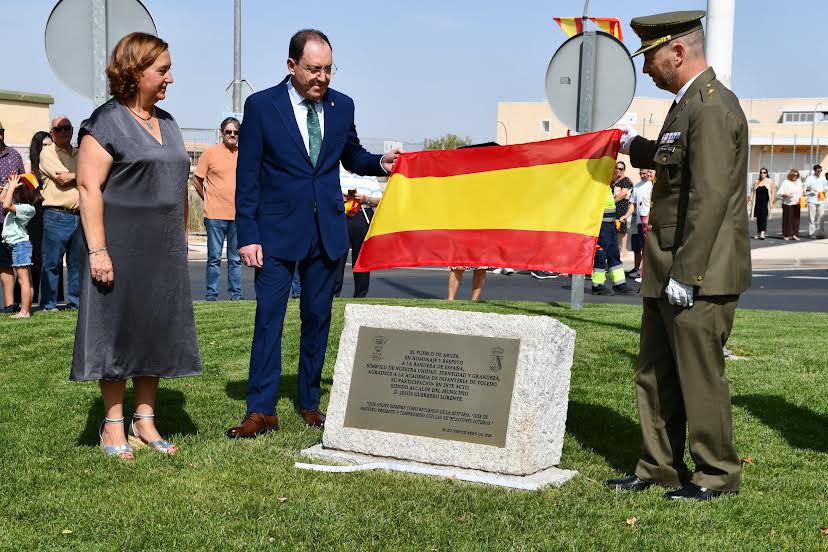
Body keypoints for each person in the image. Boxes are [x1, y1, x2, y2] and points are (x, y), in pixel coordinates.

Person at [227, 29, 401, 438]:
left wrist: (381, 162)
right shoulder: (262, 106)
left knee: (318, 318)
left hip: (327, 232)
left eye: (328, 69)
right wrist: (248, 235)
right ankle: (261, 409)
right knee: (269, 319)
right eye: (313, 69)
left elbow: (352, 155)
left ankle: (308, 402)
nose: (322, 78)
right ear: (292, 66)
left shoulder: (343, 106)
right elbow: (247, 177)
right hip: (274, 235)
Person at [609, 10, 751, 501]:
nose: (646, 68)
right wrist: (631, 145)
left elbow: (709, 196)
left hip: (699, 269)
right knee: (654, 373)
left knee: (697, 375)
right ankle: (657, 467)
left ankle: (716, 474)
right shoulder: (687, 104)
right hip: (669, 265)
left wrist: (687, 273)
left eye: (650, 57)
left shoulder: (710, 107)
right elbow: (675, 158)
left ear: (677, 51)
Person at [71, 32, 202, 460]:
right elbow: (89, 188)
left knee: (155, 331)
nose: (170, 78)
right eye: (162, 70)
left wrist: (181, 235)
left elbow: (177, 185)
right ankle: (112, 425)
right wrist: (98, 251)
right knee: (117, 330)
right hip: (120, 246)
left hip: (163, 248)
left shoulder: (167, 122)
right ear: (135, 71)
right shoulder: (105, 122)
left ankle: (144, 420)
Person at [193, 117, 242, 301]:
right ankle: (212, 295)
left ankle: (236, 296)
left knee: (235, 259)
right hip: (214, 215)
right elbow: (197, 180)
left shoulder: (243, 154)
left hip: (237, 215)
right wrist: (207, 199)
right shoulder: (210, 153)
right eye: (228, 131)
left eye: (236, 132)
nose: (232, 135)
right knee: (214, 258)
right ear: (222, 133)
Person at [39, 115, 81, 311]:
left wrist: (76, 176)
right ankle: (49, 305)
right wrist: (84, 176)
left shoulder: (81, 153)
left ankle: (76, 303)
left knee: (77, 264)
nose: (63, 131)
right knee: (52, 263)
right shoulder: (47, 153)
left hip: (80, 216)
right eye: (59, 129)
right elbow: (62, 178)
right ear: (52, 133)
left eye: (67, 128)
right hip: (56, 215)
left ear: (72, 130)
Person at [21, 131, 58, 307]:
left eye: (50, 145)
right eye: (44, 145)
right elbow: (29, 191)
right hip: (35, 214)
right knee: (34, 257)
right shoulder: (30, 165)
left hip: (52, 211)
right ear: (37, 147)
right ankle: (30, 300)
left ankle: (56, 299)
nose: (47, 148)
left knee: (52, 257)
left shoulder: (56, 161)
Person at [333, 176, 383, 298]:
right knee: (337, 257)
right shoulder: (337, 171)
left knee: (362, 257)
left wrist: (366, 199)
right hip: (341, 216)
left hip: (362, 216)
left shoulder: (369, 175)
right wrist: (341, 197)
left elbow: (380, 200)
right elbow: (327, 193)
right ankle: (333, 294)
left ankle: (360, 295)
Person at [1, 173, 41, 318]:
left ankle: (24, 312)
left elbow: (5, 205)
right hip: (13, 244)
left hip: (20, 245)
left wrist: (11, 187)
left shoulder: (28, 209)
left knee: (23, 279)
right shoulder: (18, 206)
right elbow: (2, 200)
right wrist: (8, 185)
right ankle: (27, 310)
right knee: (26, 279)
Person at [592, 183, 636, 296]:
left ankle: (619, 284)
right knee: (601, 255)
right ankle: (597, 285)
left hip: (610, 224)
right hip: (601, 226)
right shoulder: (597, 186)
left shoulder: (608, 186)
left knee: (614, 254)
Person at [0, 122, 25, 313]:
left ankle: (9, 305)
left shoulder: (14, 156)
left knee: (6, 263)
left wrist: (11, 189)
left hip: (8, 218)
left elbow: (24, 184)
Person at [628, 169, 654, 280]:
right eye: (641, 173)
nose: (644, 175)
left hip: (648, 221)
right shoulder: (637, 186)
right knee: (642, 247)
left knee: (647, 248)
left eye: (646, 173)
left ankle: (645, 273)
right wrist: (626, 215)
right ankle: (641, 271)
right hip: (640, 220)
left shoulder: (652, 186)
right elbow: (633, 204)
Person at [612, 161, 634, 256]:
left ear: (624, 170)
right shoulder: (613, 180)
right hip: (613, 208)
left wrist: (612, 202)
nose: (618, 170)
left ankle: (623, 249)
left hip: (621, 206)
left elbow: (623, 194)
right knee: (614, 228)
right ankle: (616, 248)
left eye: (620, 169)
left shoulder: (625, 180)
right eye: (616, 168)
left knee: (622, 228)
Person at [749, 167, 775, 239]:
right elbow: (753, 192)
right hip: (757, 202)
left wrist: (772, 201)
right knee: (758, 218)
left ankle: (763, 232)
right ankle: (758, 232)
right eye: (761, 172)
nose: (762, 174)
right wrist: (750, 200)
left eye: (764, 172)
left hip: (765, 203)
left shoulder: (769, 181)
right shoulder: (756, 181)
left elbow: (773, 191)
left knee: (764, 217)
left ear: (767, 173)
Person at [778, 169, 803, 240]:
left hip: (797, 203)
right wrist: (787, 194)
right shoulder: (786, 182)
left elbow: (802, 190)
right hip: (788, 203)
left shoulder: (799, 182)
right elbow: (780, 192)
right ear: (791, 175)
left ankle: (795, 234)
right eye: (794, 175)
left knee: (796, 220)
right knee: (787, 219)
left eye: (797, 175)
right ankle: (786, 235)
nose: (796, 177)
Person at [803, 164, 826, 239]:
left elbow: (826, 187)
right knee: (812, 217)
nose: (820, 172)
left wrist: (824, 190)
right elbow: (805, 188)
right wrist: (810, 189)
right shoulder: (809, 178)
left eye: (821, 170)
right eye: (818, 171)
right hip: (812, 199)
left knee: (821, 217)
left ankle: (821, 233)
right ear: (814, 171)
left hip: (821, 199)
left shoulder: (823, 178)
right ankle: (812, 233)